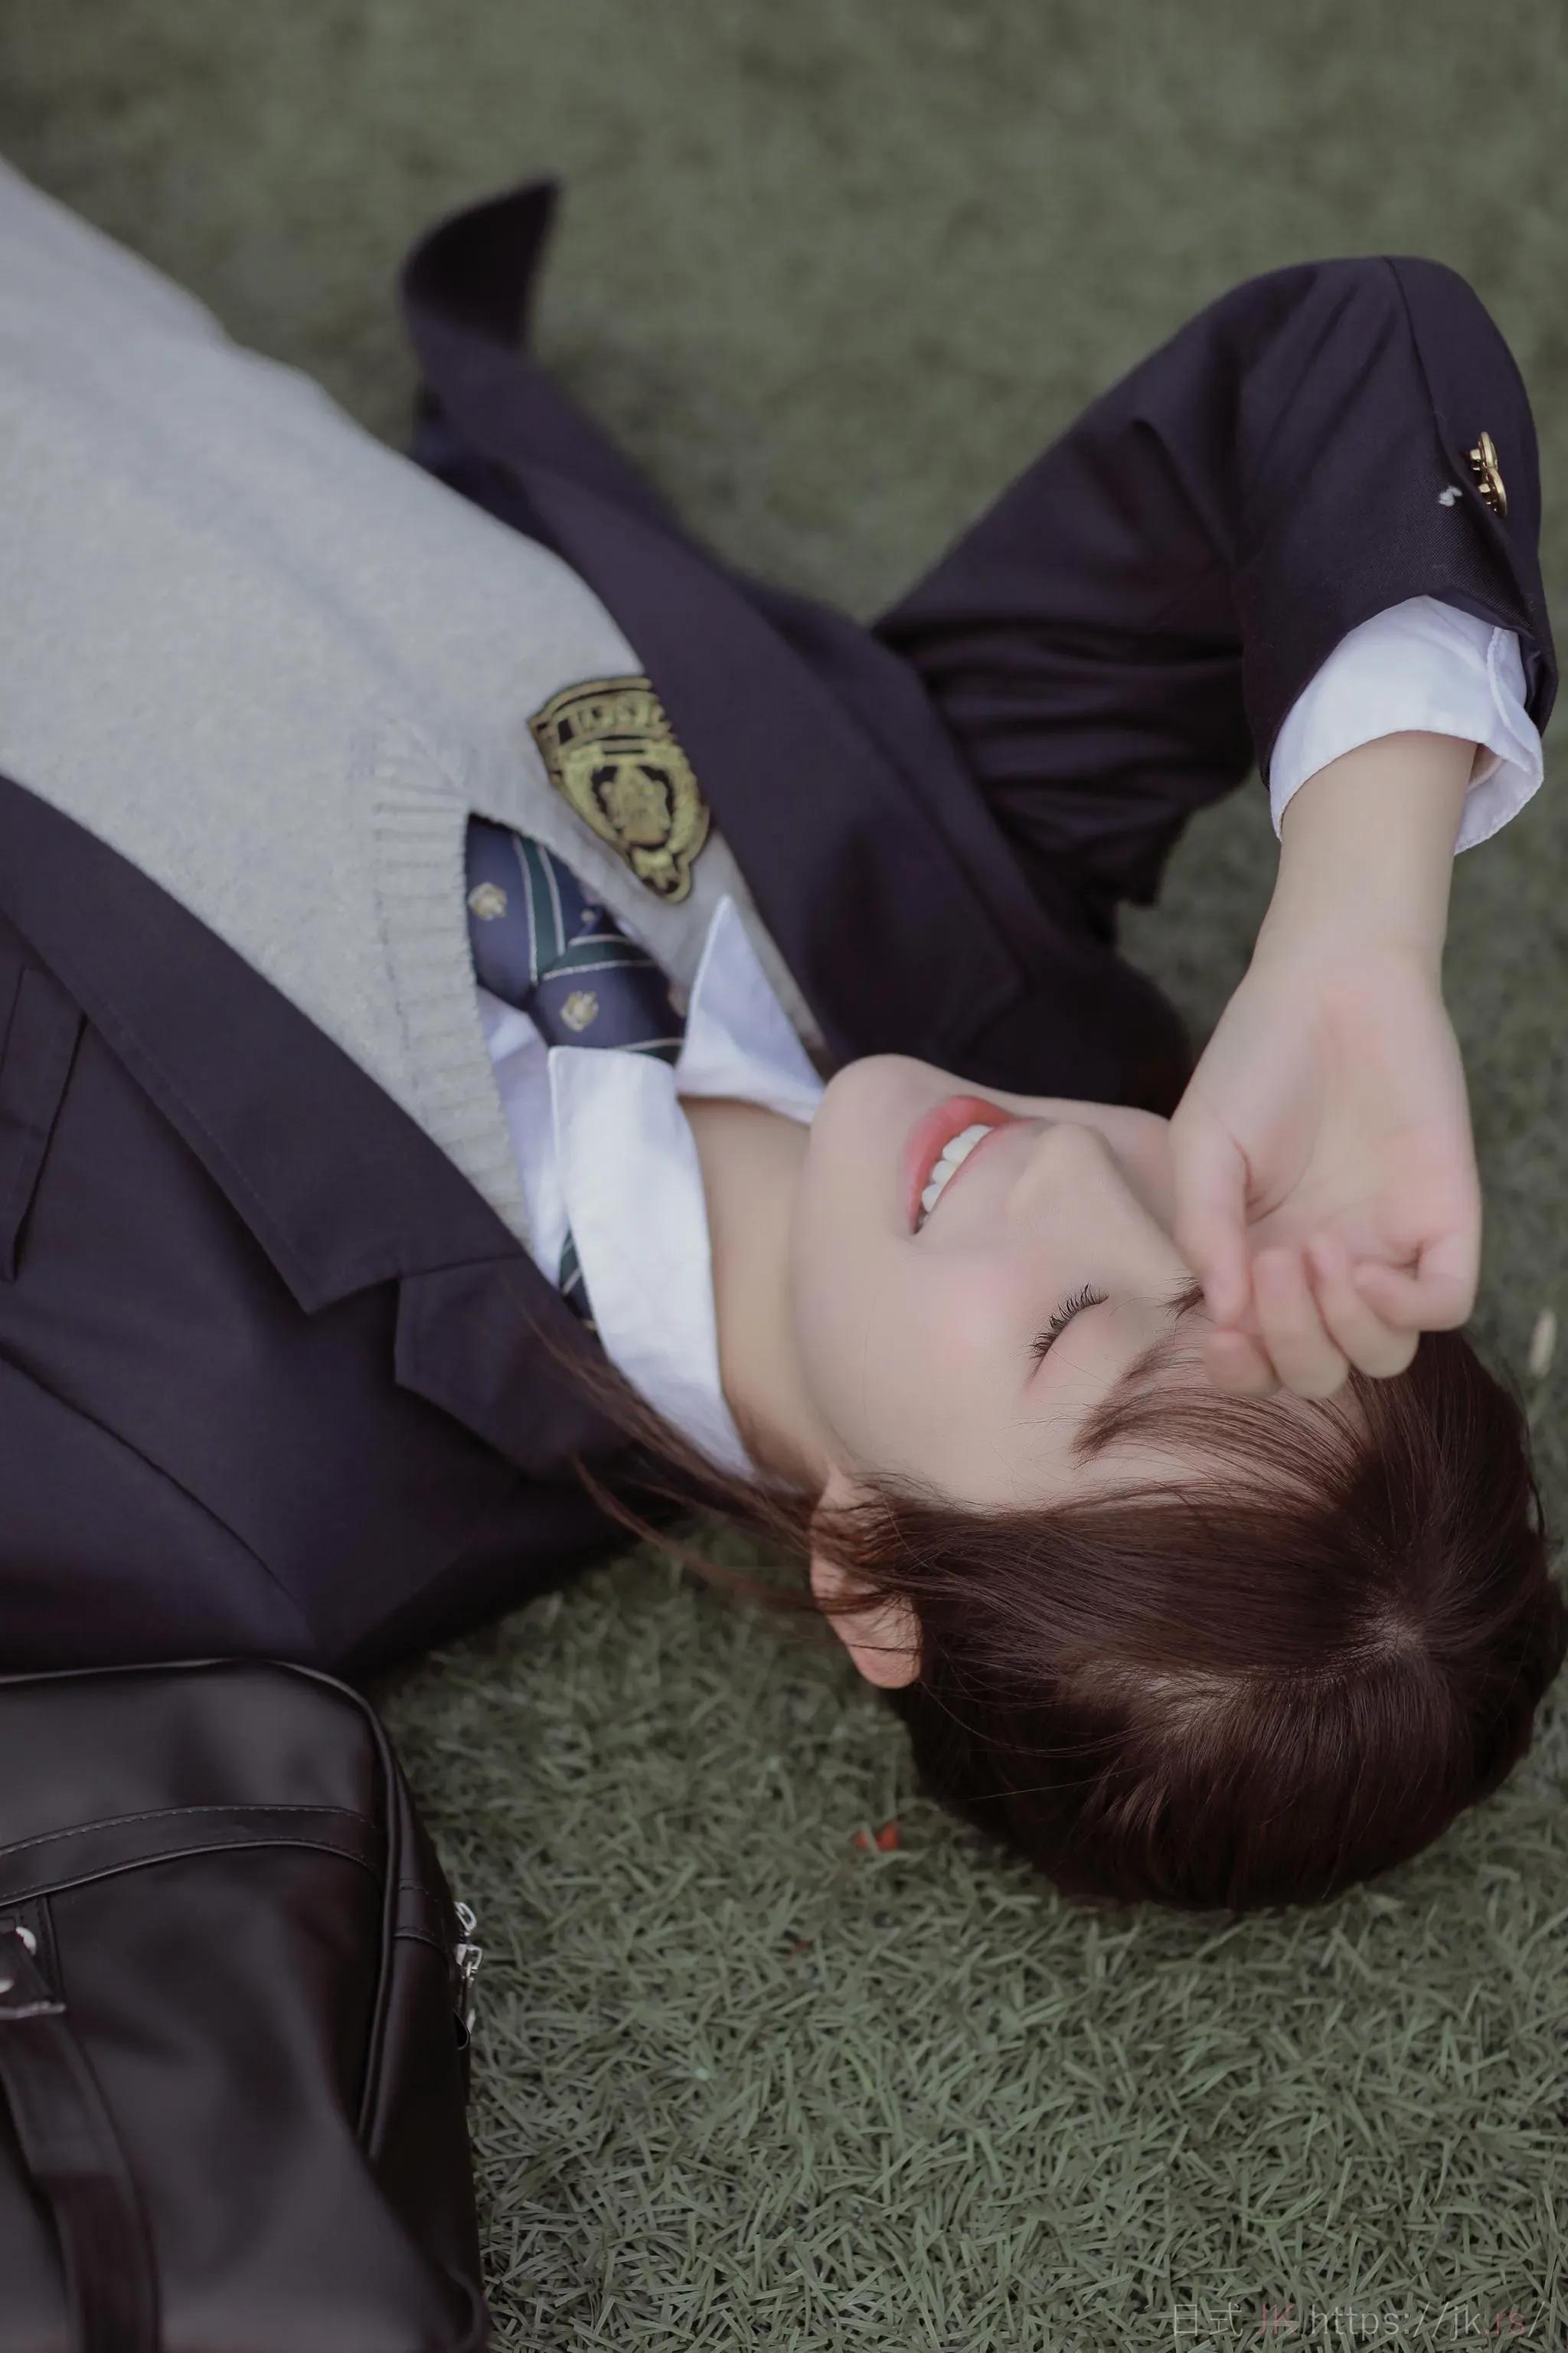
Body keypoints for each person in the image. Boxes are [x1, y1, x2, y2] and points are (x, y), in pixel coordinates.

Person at [0, 160, 1560, 1912]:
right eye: (1213, 1241)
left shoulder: (217, 1491)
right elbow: (1354, 351)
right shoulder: (959, 893)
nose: (1071, 1168)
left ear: (872, 1573)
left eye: (1071, 1331)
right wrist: (1355, 924)